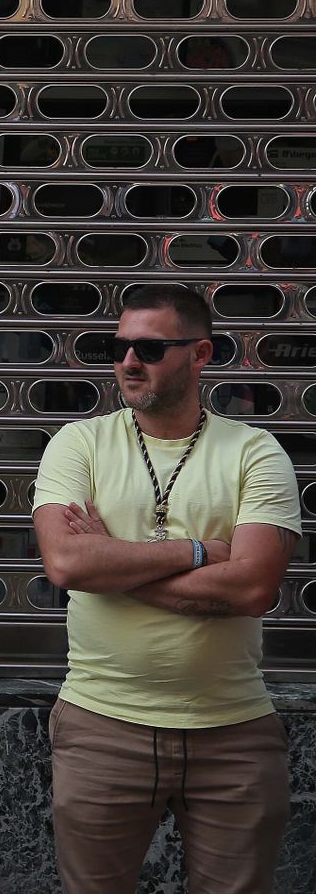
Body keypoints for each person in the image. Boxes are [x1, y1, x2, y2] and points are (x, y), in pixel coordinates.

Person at [32, 283, 297, 894]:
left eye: (150, 348)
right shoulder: (81, 443)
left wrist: (115, 569)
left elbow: (253, 587)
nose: (128, 362)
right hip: (102, 725)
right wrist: (197, 553)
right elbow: (67, 564)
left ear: (199, 354)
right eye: (119, 346)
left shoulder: (254, 452)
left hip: (233, 729)